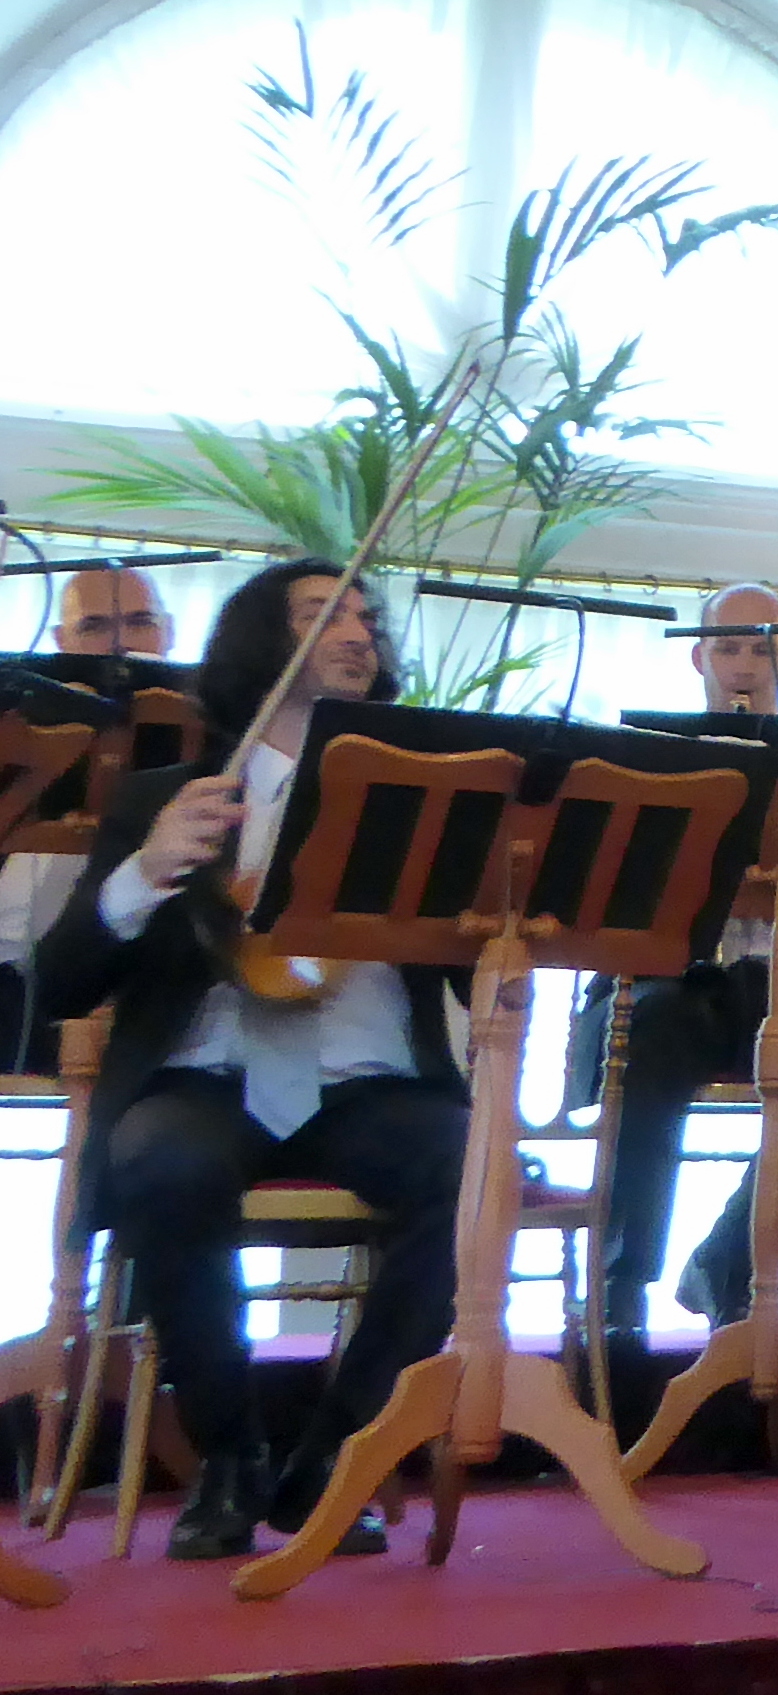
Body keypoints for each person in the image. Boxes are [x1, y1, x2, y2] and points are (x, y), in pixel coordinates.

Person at [37, 562, 463, 1561]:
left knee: (469, 1165)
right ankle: (228, 1454)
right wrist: (144, 873)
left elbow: (468, 957)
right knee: (160, 1160)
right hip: (208, 1080)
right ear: (258, 643)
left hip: (367, 1084)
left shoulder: (414, 806)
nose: (357, 634)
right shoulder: (163, 797)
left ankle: (336, 1456)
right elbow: (61, 984)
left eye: (365, 618)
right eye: (323, 616)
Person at [576, 583, 778, 1434]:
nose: (745, 663)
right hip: (668, 977)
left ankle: (729, 1260)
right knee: (654, 1034)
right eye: (729, 646)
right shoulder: (646, 755)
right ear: (699, 656)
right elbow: (608, 898)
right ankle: (623, 1286)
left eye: (762, 647)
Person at [0, 565, 182, 1072]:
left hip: (147, 978)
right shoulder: (15, 719)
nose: (121, 643)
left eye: (140, 622)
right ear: (61, 640)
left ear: (169, 632)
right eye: (95, 626)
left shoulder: (217, 723)